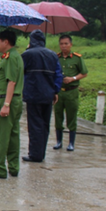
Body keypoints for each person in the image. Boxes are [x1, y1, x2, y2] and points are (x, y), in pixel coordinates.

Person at [0, 29, 23, 179]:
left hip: (7, 100)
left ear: (6, 41)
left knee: (2, 135)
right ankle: (13, 167)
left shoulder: (11, 58)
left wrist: (6, 104)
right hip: (14, 100)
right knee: (13, 134)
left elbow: (11, 82)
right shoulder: (12, 57)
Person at [21, 30, 63, 163]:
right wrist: (55, 91)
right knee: (45, 124)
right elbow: (58, 74)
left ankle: (35, 154)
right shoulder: (53, 55)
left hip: (33, 94)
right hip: (48, 94)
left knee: (35, 125)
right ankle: (41, 153)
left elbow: (19, 72)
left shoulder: (27, 54)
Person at [54, 34, 88, 151]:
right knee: (58, 116)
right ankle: (59, 141)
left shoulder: (77, 58)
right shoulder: (56, 58)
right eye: (62, 44)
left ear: (71, 44)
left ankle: (71, 143)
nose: (64, 46)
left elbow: (84, 73)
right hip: (59, 91)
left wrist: (73, 78)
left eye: (66, 44)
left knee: (71, 116)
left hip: (71, 91)